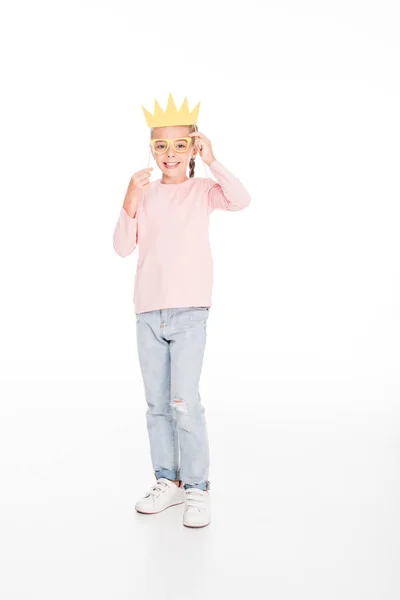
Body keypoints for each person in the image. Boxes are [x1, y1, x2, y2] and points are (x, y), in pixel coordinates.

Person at [112, 94, 251, 528]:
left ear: (192, 147)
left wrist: (214, 160)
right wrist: (129, 196)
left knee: (184, 401)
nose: (168, 154)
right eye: (160, 146)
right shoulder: (147, 194)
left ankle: (197, 487)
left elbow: (241, 199)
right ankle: (167, 481)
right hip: (148, 313)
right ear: (150, 150)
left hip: (190, 311)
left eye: (178, 145)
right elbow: (121, 247)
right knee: (156, 403)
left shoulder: (203, 190)